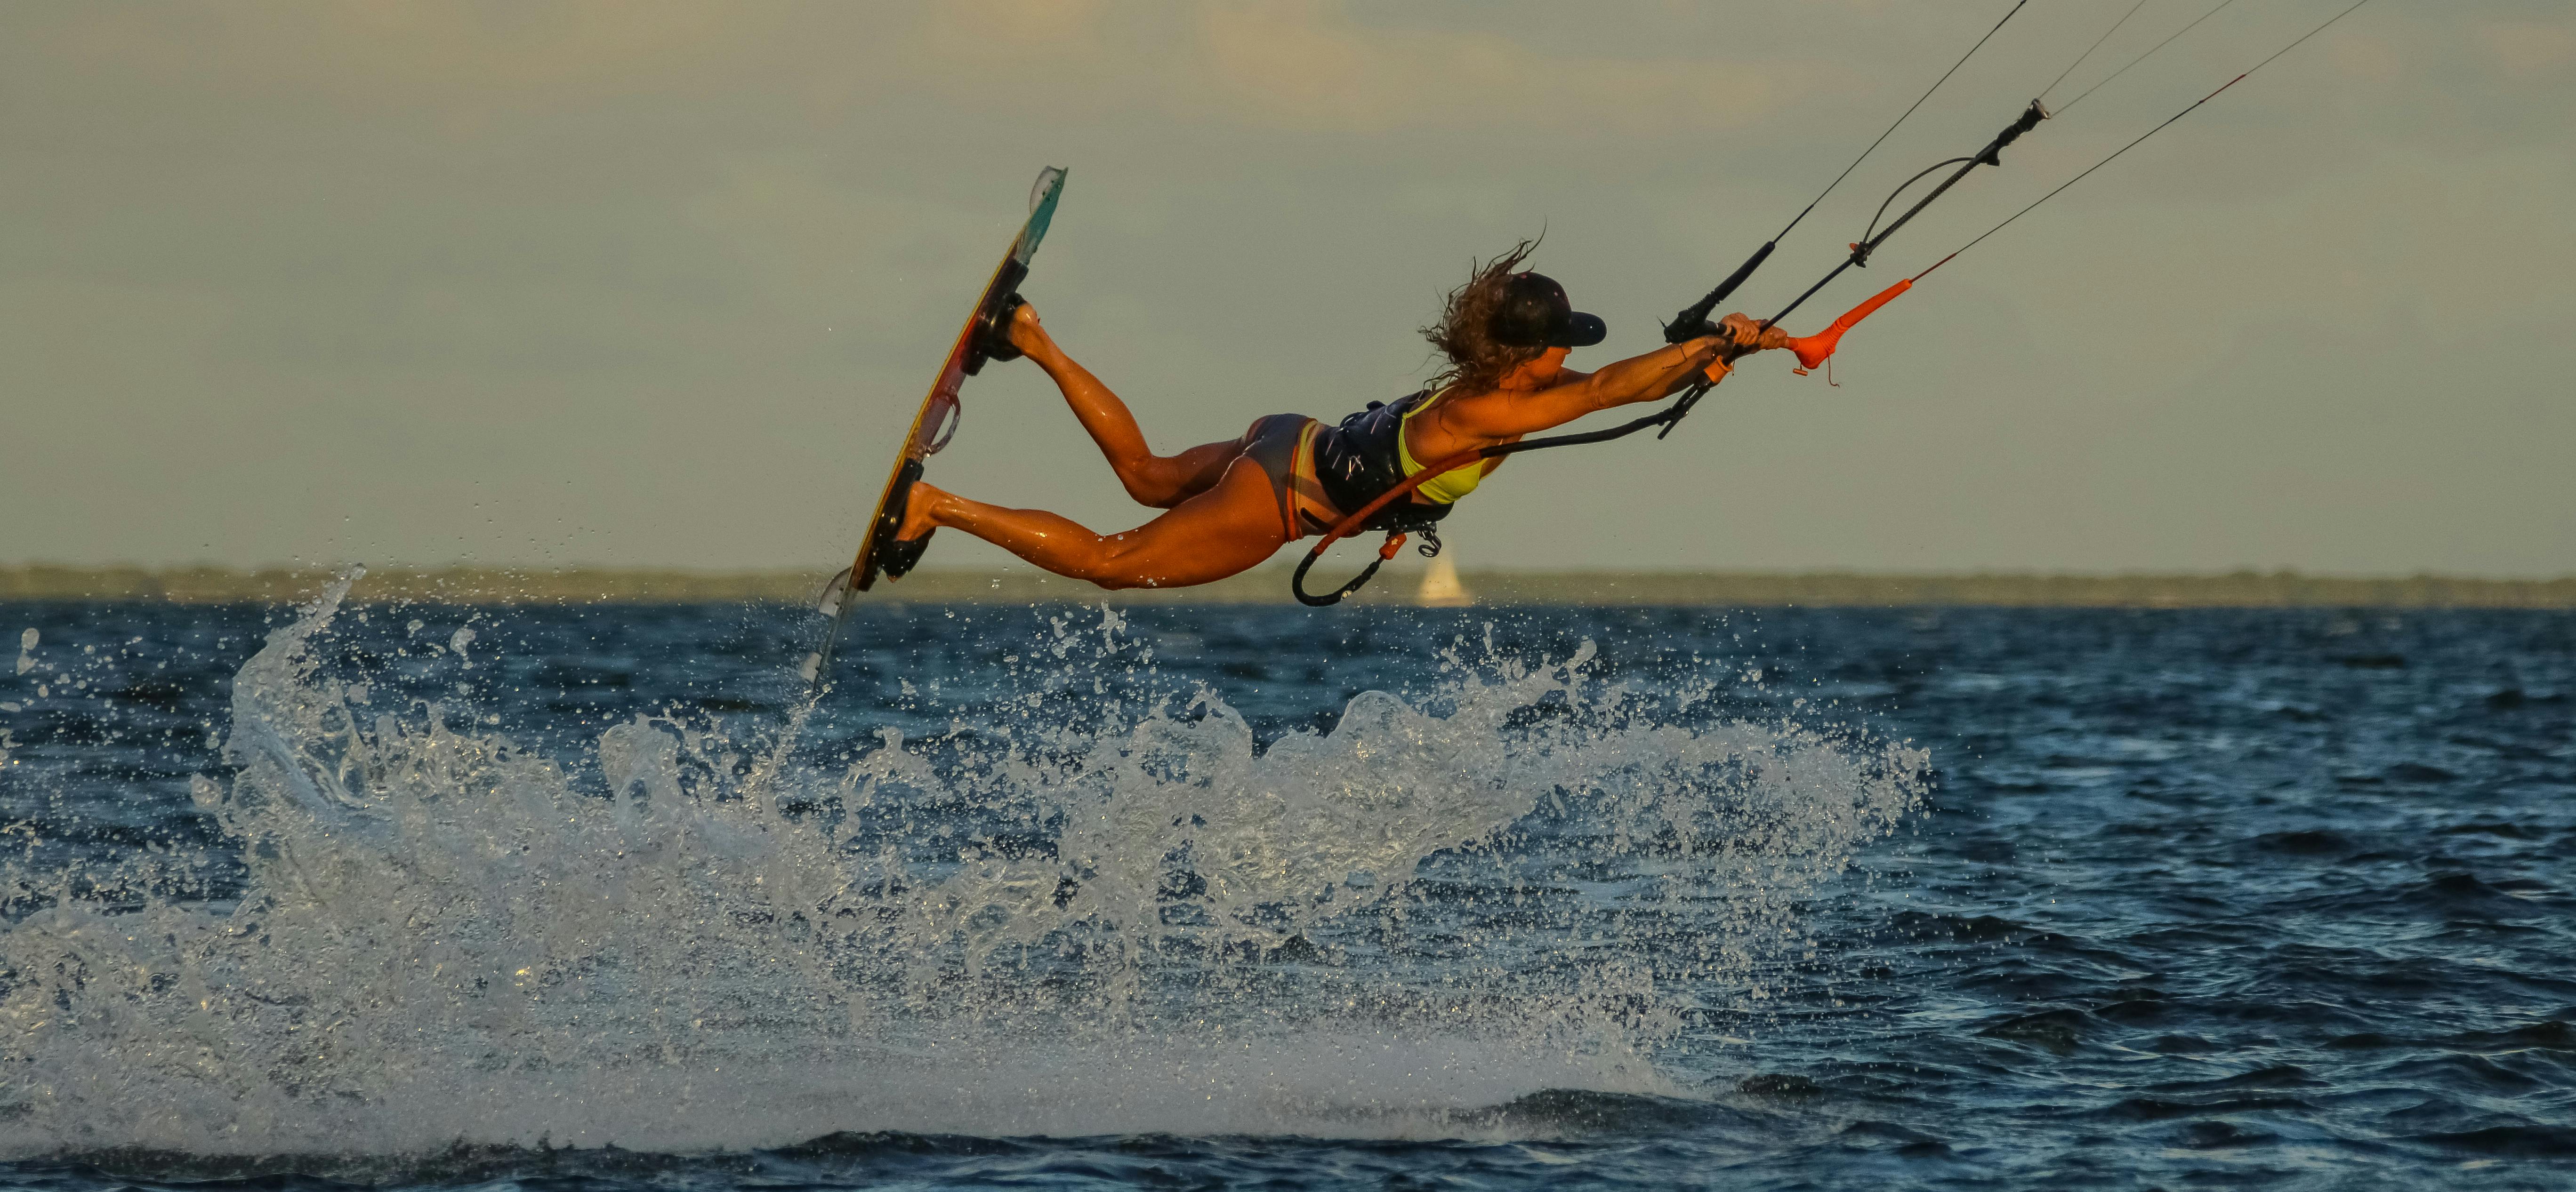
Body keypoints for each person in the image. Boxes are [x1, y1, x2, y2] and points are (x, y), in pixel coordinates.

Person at [882, 243, 1788, 590]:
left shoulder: (1499, 383)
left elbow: (1623, 382)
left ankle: (1028, 335)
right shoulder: (1487, 412)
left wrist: (1716, 352)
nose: (1571, 354)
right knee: (1111, 563)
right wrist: (1715, 344)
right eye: (1561, 343)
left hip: (1288, 437)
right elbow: (1605, 392)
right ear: (1531, 352)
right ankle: (935, 507)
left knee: (1147, 475)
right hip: (1280, 495)